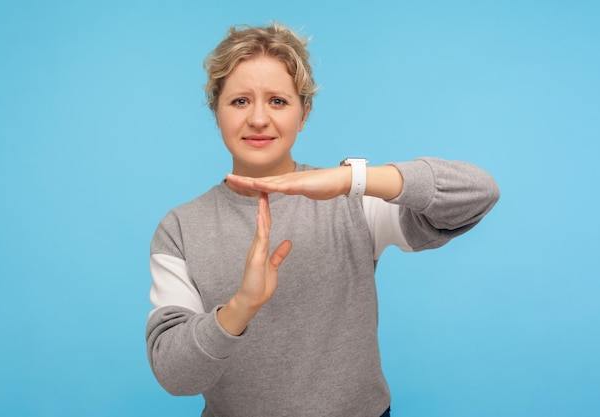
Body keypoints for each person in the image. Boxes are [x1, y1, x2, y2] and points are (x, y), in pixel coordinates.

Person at [146, 22, 499, 417]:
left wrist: (354, 178)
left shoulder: (352, 202)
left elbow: (478, 193)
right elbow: (175, 377)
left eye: (278, 101)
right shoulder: (179, 229)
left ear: (304, 112)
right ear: (216, 111)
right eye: (240, 101)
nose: (259, 119)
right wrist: (240, 307)